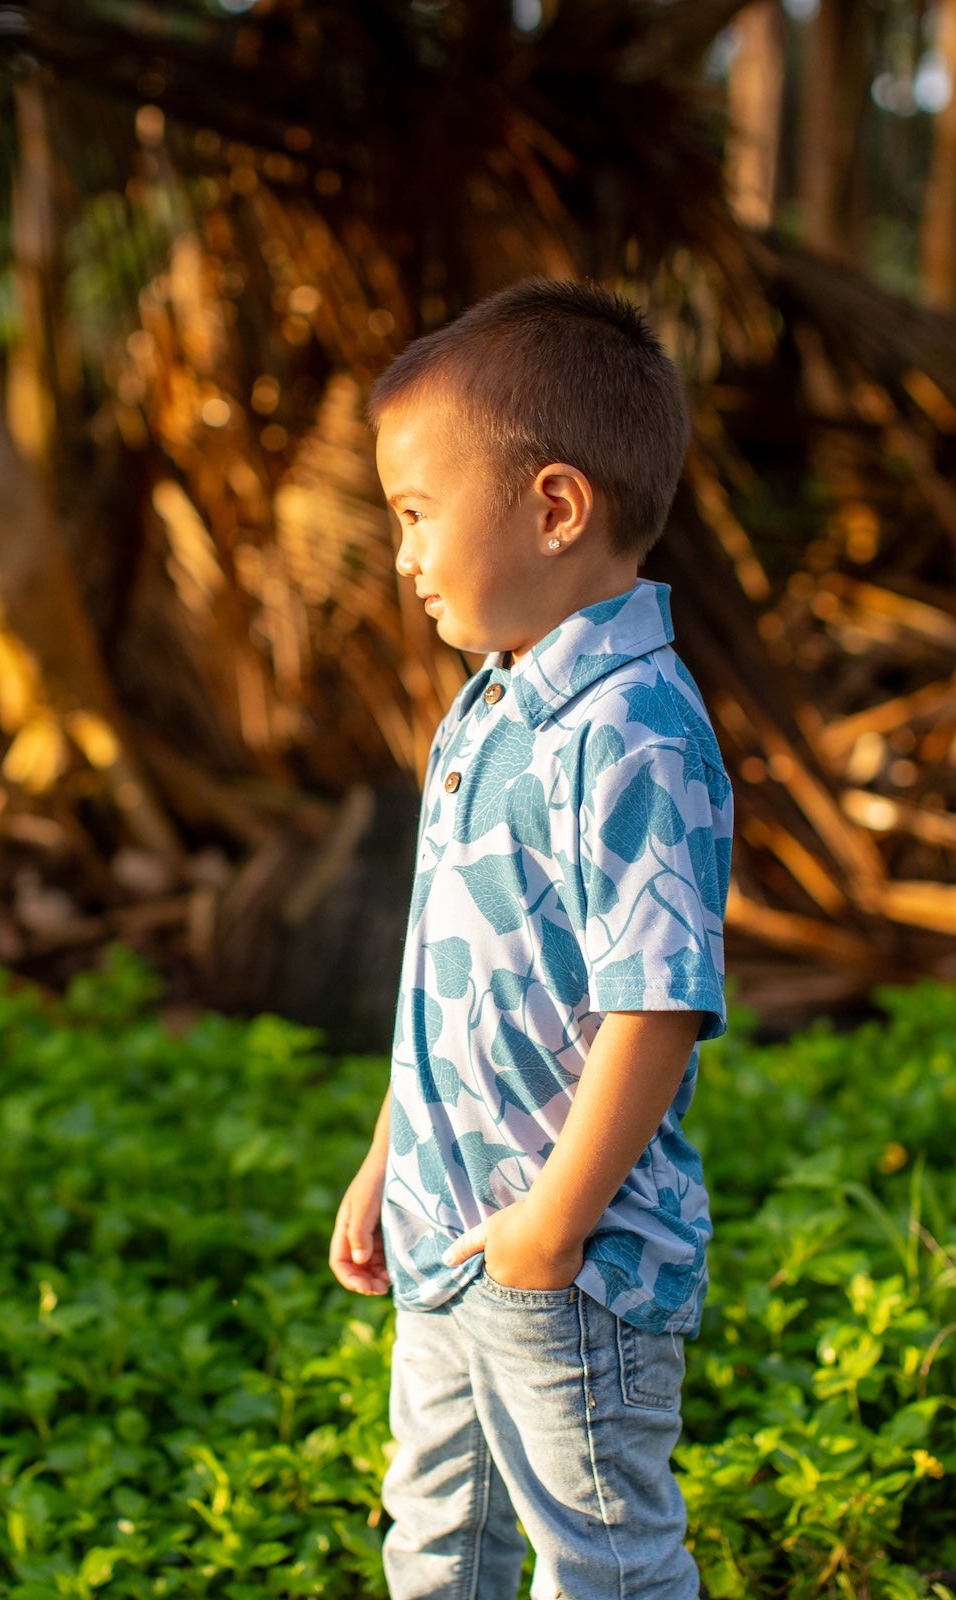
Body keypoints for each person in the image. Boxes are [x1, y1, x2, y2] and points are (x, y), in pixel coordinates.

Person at [328, 278, 733, 1600]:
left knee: (599, 1564)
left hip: (572, 1262)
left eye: (416, 516)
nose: (404, 558)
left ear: (554, 508)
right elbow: (447, 975)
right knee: (436, 1543)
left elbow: (656, 1004)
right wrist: (393, 1155)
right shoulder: (487, 712)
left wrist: (553, 1225)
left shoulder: (634, 729)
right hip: (453, 1243)